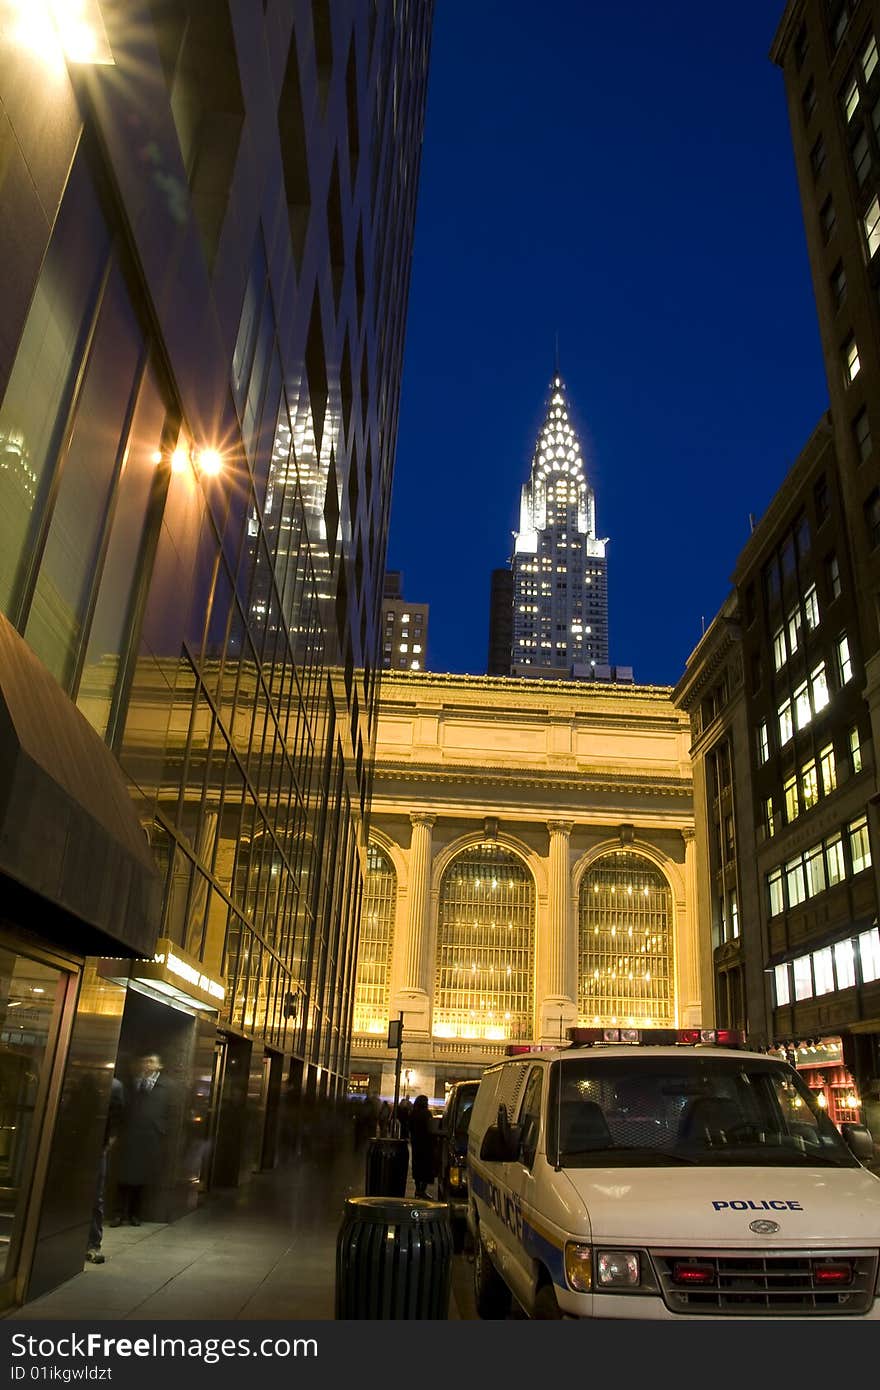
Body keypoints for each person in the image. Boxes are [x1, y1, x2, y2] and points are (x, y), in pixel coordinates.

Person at [111, 1053, 172, 1226]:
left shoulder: (165, 1087)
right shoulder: (131, 1083)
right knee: (123, 1175)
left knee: (141, 1177)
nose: (147, 1065)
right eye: (145, 1061)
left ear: (159, 1066)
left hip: (150, 1137)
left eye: (151, 1062)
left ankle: (134, 1213)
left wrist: (160, 1129)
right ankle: (118, 1213)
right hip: (130, 1134)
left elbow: (170, 1112)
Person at [85, 1076, 125, 1263]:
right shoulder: (110, 1085)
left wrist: (109, 1141)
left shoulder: (112, 1086)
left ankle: (92, 1243)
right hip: (93, 1143)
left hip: (95, 1145)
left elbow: (117, 1118)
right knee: (95, 1196)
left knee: (95, 1196)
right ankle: (92, 1244)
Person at [409, 1093, 436, 1199]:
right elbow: (431, 1128)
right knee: (426, 1167)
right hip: (426, 1144)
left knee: (417, 1166)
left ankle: (417, 1189)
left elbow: (409, 1127)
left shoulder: (413, 1114)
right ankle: (422, 1190)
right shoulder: (427, 1114)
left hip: (416, 1143)